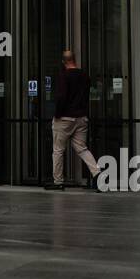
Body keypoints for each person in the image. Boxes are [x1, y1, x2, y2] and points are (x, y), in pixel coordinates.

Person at [51, 50, 101, 188]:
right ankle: (97, 173)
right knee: (82, 149)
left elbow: (61, 97)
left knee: (58, 150)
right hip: (81, 117)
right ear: (74, 60)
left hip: (65, 118)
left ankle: (58, 181)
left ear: (63, 62)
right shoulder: (85, 76)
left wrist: (57, 114)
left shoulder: (64, 76)